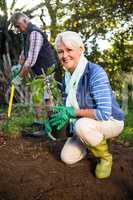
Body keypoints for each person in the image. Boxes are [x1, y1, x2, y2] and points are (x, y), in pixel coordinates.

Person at [49, 31, 124, 179]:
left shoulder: (95, 72)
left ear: (81, 50)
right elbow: (68, 107)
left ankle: (105, 158)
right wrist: (52, 119)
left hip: (111, 121)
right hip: (87, 123)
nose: (64, 56)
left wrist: (73, 113)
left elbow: (104, 113)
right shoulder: (67, 77)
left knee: (81, 126)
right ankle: (91, 141)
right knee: (67, 158)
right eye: (60, 52)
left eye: (69, 50)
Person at [10, 12, 57, 131]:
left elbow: (30, 60)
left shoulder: (35, 33)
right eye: (16, 27)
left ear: (25, 21)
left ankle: (51, 124)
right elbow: (24, 53)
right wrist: (18, 66)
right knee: (36, 96)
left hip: (47, 69)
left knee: (47, 97)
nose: (18, 29)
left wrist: (19, 77)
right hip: (38, 70)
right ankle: (38, 122)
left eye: (18, 26)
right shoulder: (26, 34)